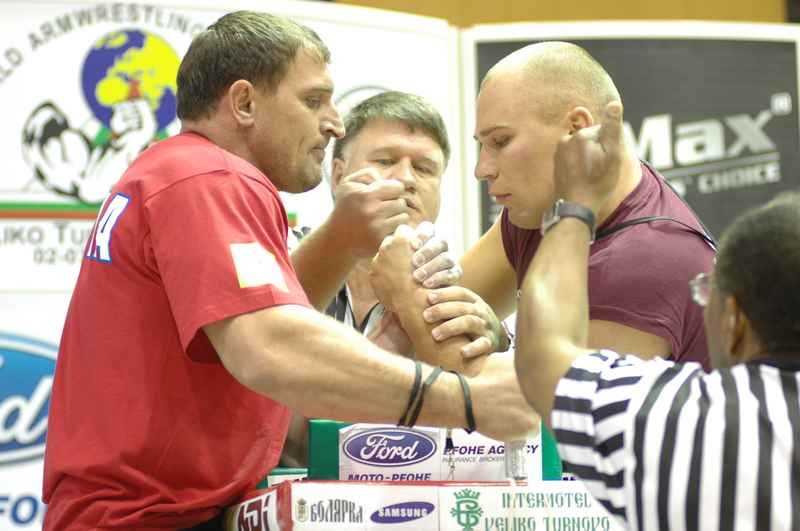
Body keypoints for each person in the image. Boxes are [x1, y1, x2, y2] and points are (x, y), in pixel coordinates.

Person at [41, 11, 536, 530]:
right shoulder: (211, 176)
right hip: (148, 518)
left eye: (425, 166)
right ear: (245, 103)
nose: (335, 122)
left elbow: (260, 329)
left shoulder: (180, 171)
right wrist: (468, 400)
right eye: (313, 100)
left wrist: (346, 245)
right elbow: (272, 348)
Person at [515, 99, 800, 530]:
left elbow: (541, 356)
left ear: (733, 319)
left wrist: (574, 205)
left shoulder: (669, 419)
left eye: (707, 295)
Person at [414, 41, 715, 369]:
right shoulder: (543, 205)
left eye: (501, 142)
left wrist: (502, 345)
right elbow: (432, 325)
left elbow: (544, 410)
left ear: (577, 129)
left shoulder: (649, 260)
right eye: (482, 146)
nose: (482, 169)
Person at [280, 90, 516, 466]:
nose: (406, 179)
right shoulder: (280, 262)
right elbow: (288, 436)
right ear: (339, 175)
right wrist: (405, 312)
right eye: (386, 160)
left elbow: (507, 433)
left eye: (424, 169)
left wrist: (499, 343)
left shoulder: (460, 297)